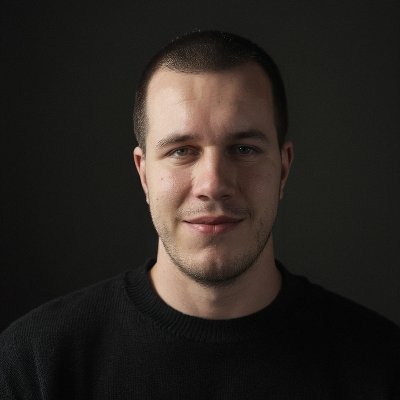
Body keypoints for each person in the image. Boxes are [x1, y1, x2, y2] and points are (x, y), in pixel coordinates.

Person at [1, 30, 399, 399]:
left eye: (243, 149)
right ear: (144, 174)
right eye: (181, 151)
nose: (213, 183)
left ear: (283, 168)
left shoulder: (383, 367)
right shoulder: (34, 364)